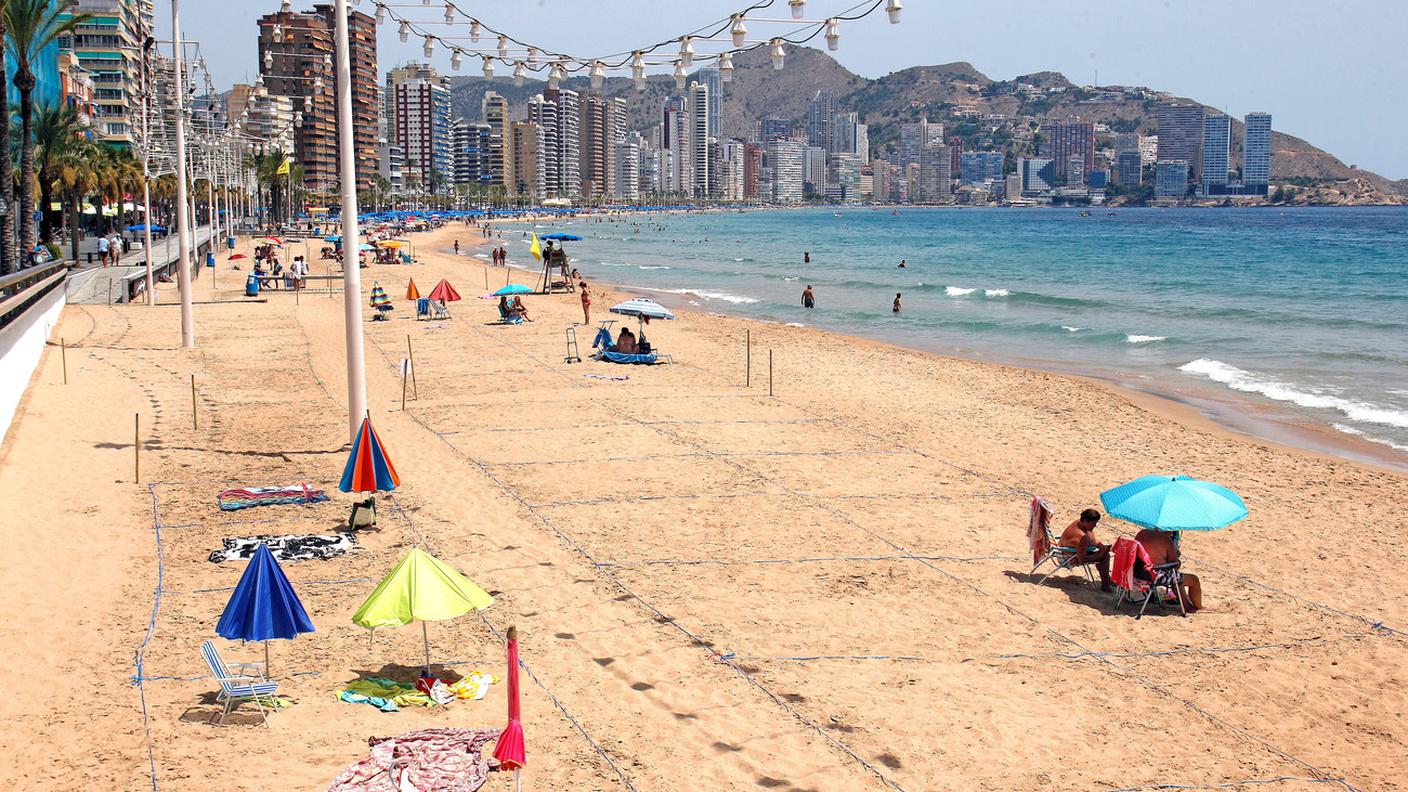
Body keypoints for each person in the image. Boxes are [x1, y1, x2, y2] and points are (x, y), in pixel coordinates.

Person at [1134, 527, 1202, 612]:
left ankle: (1186, 604)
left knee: (1176, 576)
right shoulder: (1165, 540)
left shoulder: (1142, 533)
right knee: (1193, 579)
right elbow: (1175, 564)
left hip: (1137, 572)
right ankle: (1198, 607)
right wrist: (1176, 554)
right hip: (1155, 575)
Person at [1058, 508, 1112, 591]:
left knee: (1103, 551)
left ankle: (1108, 580)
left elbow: (1090, 535)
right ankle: (1106, 586)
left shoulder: (1078, 523)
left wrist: (1100, 546)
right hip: (1068, 558)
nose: (1095, 525)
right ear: (1086, 521)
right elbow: (1082, 560)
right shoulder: (1081, 537)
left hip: (1062, 551)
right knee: (1105, 556)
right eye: (1093, 523)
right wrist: (1099, 554)